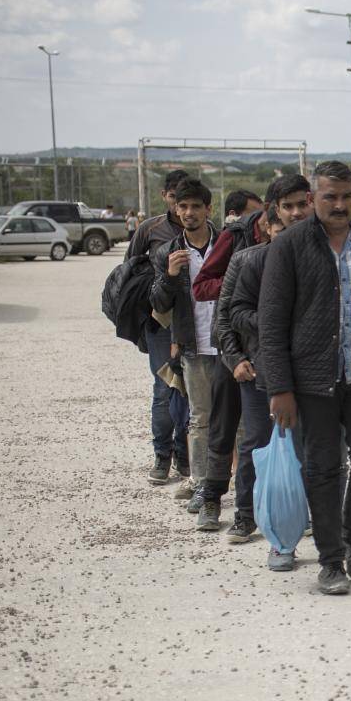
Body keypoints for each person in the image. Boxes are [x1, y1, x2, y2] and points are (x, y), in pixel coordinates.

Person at [257, 160, 351, 596]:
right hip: (311, 382)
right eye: (330, 197)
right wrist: (280, 388)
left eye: (347, 196)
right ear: (312, 199)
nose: (339, 205)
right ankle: (330, 562)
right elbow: (271, 323)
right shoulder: (290, 246)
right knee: (322, 469)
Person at [207, 175, 314, 548]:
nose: (289, 228)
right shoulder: (247, 262)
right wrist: (235, 358)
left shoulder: (317, 260)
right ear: (268, 226)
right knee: (256, 445)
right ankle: (245, 516)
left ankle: (300, 513)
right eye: (281, 223)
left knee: (305, 445)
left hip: (305, 372)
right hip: (256, 370)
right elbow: (226, 316)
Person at [149, 178, 221, 523]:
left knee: (237, 423)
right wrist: (168, 275)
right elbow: (158, 304)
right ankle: (202, 484)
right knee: (200, 419)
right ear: (175, 210)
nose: (188, 212)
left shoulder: (227, 245)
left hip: (228, 346)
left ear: (209, 209)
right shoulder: (169, 252)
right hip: (193, 348)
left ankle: (238, 487)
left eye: (195, 206)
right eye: (182, 207)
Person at [128, 168, 192, 488]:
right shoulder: (149, 229)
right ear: (165, 197)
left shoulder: (208, 230)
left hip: (193, 324)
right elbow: (130, 273)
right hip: (159, 323)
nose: (182, 207)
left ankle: (185, 455)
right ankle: (162, 456)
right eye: (175, 198)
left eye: (188, 200)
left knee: (191, 389)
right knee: (165, 388)